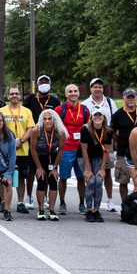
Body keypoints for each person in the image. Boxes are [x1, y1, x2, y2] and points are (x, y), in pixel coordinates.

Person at [0, 86, 36, 214]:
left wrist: (21, 140)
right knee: (3, 176)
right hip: (5, 150)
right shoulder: (2, 111)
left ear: (20, 96)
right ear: (8, 96)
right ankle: (3, 201)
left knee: (21, 177)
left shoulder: (27, 111)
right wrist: (9, 143)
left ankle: (20, 202)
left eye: (16, 93)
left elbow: (30, 128)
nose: (14, 96)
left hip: (22, 150)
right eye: (12, 94)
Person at [54, 84, 90, 215]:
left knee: (81, 177)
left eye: (75, 91)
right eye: (70, 91)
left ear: (79, 93)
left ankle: (82, 202)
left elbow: (87, 126)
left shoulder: (85, 110)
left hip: (81, 149)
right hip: (66, 149)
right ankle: (62, 202)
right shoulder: (60, 109)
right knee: (63, 177)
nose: (73, 93)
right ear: (66, 94)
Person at [109, 88, 137, 211]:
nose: (130, 99)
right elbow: (112, 131)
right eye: (128, 97)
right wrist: (118, 142)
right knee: (123, 180)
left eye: (132, 97)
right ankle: (125, 206)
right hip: (124, 151)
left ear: (136, 98)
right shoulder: (118, 115)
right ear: (124, 98)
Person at [30, 108, 66, 221]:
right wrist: (39, 167)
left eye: (49, 119)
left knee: (53, 181)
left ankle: (51, 210)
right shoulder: (37, 130)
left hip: (52, 157)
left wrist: (55, 167)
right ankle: (41, 209)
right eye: (45, 119)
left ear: (54, 120)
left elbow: (60, 150)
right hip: (39, 156)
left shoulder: (60, 132)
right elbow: (33, 149)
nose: (47, 121)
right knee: (41, 180)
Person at [80, 108, 111, 223]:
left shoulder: (108, 131)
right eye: (95, 115)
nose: (97, 117)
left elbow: (106, 151)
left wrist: (103, 169)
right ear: (91, 117)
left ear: (103, 117)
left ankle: (96, 210)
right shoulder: (85, 130)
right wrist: (87, 169)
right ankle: (89, 209)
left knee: (98, 181)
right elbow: (84, 151)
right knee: (91, 181)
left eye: (100, 115)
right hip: (85, 157)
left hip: (99, 157)